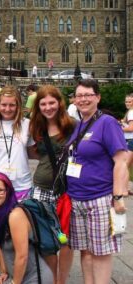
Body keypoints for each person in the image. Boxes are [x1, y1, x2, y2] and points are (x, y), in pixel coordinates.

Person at [67, 79, 128, 284]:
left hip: (99, 198)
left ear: (98, 97)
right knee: (85, 251)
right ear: (74, 100)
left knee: (101, 253)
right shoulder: (79, 124)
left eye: (88, 95)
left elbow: (121, 160)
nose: (83, 99)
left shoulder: (107, 122)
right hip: (77, 198)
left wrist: (118, 195)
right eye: (79, 96)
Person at [29, 85, 75, 284]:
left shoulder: (72, 125)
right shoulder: (37, 127)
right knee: (46, 239)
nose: (48, 107)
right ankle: (50, 279)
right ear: (38, 106)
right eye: (43, 104)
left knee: (65, 239)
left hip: (65, 191)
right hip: (40, 189)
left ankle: (61, 281)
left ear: (59, 103)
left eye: (51, 103)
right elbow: (34, 152)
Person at [0, 172, 53, 284]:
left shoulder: (15, 215)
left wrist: (14, 283)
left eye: (0, 190)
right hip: (18, 277)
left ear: (8, 192)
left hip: (35, 279)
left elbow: (22, 256)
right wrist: (3, 272)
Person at [0, 86, 35, 202]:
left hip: (21, 184)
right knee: (0, 220)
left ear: (18, 106)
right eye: (4, 105)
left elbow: (32, 152)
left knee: (22, 219)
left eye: (12, 105)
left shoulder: (27, 124)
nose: (7, 109)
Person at [121, 93, 133, 196]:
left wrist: (119, 127)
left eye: (130, 101)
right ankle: (127, 188)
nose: (127, 103)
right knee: (128, 166)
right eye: (126, 101)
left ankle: (124, 190)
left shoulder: (131, 113)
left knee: (125, 166)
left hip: (130, 141)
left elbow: (131, 128)